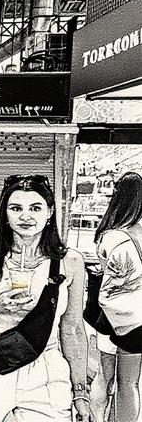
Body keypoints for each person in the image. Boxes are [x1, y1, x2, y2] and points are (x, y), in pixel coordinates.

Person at [0, 174, 90, 422]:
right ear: (4, 214)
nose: (26, 216)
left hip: (46, 368)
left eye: (35, 208)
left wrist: (80, 392)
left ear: (49, 212)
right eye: (16, 208)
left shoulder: (70, 262)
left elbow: (73, 329)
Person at [92, 171, 142, 422]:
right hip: (136, 321)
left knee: (104, 376)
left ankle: (96, 418)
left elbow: (109, 282)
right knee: (129, 385)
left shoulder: (109, 235)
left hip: (110, 318)